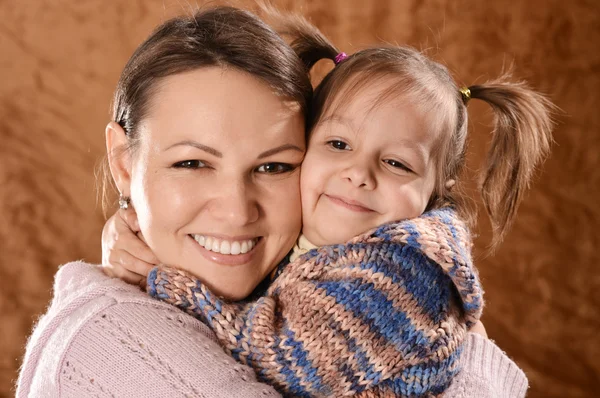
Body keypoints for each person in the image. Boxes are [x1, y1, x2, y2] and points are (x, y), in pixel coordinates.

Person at [100, 7, 552, 398]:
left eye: (273, 167)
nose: (358, 174)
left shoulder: (403, 268)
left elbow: (283, 352)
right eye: (338, 145)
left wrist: (161, 279)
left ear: (436, 189)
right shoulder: (316, 239)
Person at [17, 6, 312, 397]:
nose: (238, 211)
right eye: (191, 163)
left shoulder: (302, 301)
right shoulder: (113, 337)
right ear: (124, 164)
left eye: (274, 167)